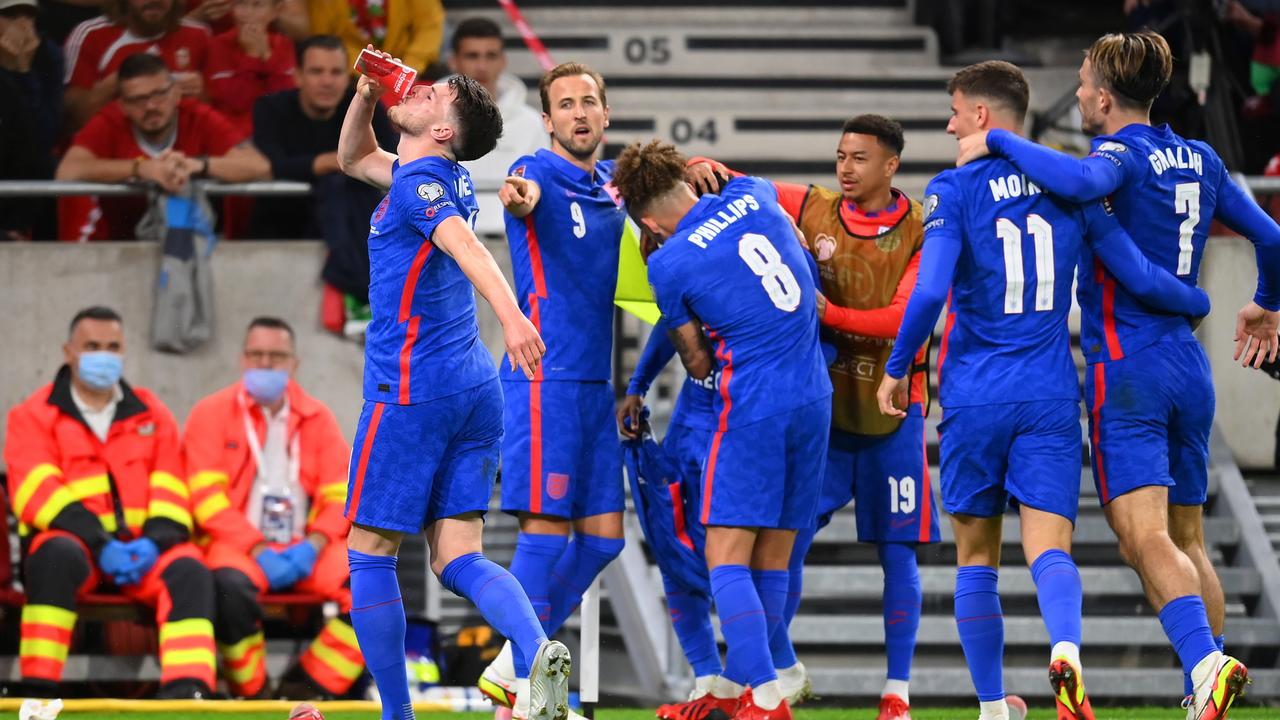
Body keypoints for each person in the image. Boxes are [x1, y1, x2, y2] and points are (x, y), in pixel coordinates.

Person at [954, 32, 1280, 717]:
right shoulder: (1202, 157)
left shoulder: (1116, 156)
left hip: (1127, 367)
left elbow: (1076, 181)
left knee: (1145, 537)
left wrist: (1000, 141)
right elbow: (1273, 238)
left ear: (1104, 96)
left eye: (1080, 84)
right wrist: (1267, 306)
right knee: (1189, 539)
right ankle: (1206, 686)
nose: (1074, 95)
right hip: (1189, 365)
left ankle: (1208, 664)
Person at [877, 60, 1216, 720]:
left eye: (954, 111)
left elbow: (929, 291)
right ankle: (1068, 652)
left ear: (982, 116)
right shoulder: (1071, 187)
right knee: (1050, 549)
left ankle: (992, 707)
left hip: (975, 393)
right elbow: (1139, 274)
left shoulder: (952, 188)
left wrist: (898, 365)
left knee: (976, 557)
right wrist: (1198, 297)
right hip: (1050, 394)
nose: (948, 124)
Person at [337, 46, 570, 720]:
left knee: (370, 551)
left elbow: (467, 246)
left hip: (412, 390)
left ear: (441, 130)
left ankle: (396, 715)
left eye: (434, 94)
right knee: (457, 554)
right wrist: (363, 92)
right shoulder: (437, 176)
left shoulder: (420, 188)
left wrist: (515, 318)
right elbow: (355, 159)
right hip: (474, 390)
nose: (418, 88)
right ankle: (533, 654)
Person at [686, 115, 941, 720]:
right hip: (822, 412)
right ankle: (774, 672)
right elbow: (754, 188)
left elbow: (904, 321)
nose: (845, 168)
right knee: (785, 548)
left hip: (891, 413)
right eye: (840, 155)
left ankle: (896, 693)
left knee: (898, 555)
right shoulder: (816, 208)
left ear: (891, 166)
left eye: (859, 158)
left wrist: (827, 312)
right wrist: (706, 168)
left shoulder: (921, 233)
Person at [613, 139, 833, 720]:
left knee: (724, 557)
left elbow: (699, 363)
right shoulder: (754, 192)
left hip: (752, 405)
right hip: (815, 397)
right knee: (776, 558)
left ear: (648, 222)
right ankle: (749, 685)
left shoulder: (668, 260)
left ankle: (764, 696)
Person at [474, 61, 628, 717]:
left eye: (589, 101)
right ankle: (521, 671)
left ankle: (510, 666)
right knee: (544, 530)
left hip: (596, 385)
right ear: (548, 120)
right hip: (544, 380)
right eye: (566, 104)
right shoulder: (537, 172)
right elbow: (520, 193)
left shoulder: (616, 186)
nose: (579, 112)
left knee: (604, 540)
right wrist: (515, 199)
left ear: (606, 112)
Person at [3, 306, 217, 699]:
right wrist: (102, 546)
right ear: (68, 351)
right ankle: (38, 689)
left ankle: (188, 693)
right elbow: (37, 493)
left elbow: (172, 487)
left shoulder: (152, 412)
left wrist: (154, 543)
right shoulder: (33, 416)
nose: (104, 355)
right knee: (54, 556)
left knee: (190, 569)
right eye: (92, 346)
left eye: (113, 346)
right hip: (78, 552)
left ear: (124, 352)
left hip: (143, 554)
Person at [182, 317, 362, 700]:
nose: (265, 364)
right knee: (228, 588)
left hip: (309, 545)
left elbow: (342, 496)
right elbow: (206, 502)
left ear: (294, 364)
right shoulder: (210, 414)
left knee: (372, 585)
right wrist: (258, 547)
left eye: (276, 356)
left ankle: (308, 686)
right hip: (238, 546)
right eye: (257, 355)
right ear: (242, 360)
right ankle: (256, 695)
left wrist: (313, 543)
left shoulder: (318, 418)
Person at [249, 34, 395, 335]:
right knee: (337, 182)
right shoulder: (271, 108)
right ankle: (361, 291)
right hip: (284, 223)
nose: (327, 81)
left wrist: (340, 164)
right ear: (298, 75)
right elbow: (274, 167)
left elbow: (393, 161)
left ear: (347, 76)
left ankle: (359, 291)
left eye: (336, 72)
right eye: (317, 72)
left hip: (350, 217)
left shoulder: (365, 105)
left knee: (343, 187)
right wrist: (338, 161)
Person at [55, 52, 270, 241]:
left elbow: (259, 166)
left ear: (176, 93)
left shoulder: (197, 115)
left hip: (193, 244)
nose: (150, 106)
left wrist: (197, 165)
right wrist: (141, 168)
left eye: (158, 95)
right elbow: (67, 171)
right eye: (138, 99)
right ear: (123, 106)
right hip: (118, 247)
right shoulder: (110, 120)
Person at [448, 16, 547, 236]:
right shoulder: (429, 118)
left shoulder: (532, 123)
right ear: (453, 61)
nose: (482, 66)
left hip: (516, 238)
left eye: (490, 56)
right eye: (472, 56)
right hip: (451, 241)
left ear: (503, 61)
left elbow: (543, 186)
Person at [63, 0, 209, 130]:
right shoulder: (89, 34)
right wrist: (122, 81)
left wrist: (201, 94)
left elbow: (216, 113)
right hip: (111, 149)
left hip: (180, 149)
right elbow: (76, 118)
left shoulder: (199, 34)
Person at [0, 0, 62, 240]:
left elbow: (43, 136)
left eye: (29, 15)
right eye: (10, 15)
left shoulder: (47, 54)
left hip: (22, 165)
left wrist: (23, 72)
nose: (23, 25)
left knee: (48, 167)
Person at [204, 0, 297, 139]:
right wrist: (252, 56)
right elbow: (236, 102)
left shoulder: (284, 45)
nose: (247, 13)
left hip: (280, 135)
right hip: (234, 138)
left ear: (275, 11)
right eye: (241, 4)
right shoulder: (218, 45)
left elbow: (286, 101)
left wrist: (266, 56)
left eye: (257, 5)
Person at [306, 0, 444, 81]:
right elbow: (325, 37)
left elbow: (429, 27)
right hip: (353, 69)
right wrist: (370, 67)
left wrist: (408, 68)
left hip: (410, 65)